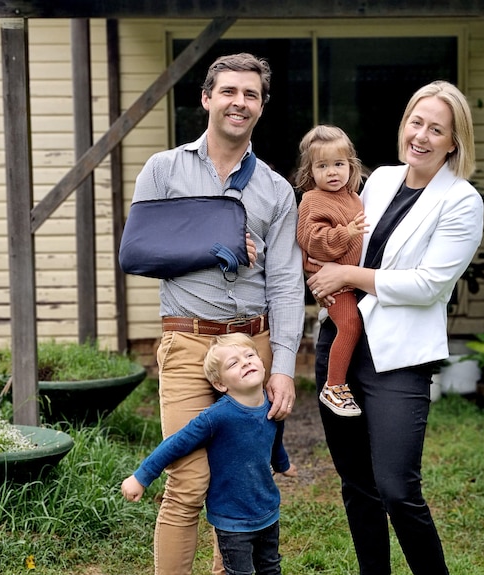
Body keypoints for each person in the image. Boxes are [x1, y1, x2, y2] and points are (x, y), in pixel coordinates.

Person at [130, 53, 305, 575]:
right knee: (187, 483)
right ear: (207, 98)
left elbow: (287, 283)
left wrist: (285, 365)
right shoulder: (164, 170)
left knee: (240, 479)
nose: (239, 102)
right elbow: (138, 253)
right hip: (188, 342)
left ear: (261, 107)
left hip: (253, 345)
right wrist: (217, 245)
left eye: (251, 95)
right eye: (229, 91)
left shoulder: (274, 189)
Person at [305, 80, 484, 574]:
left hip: (398, 359)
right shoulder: (380, 179)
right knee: (357, 484)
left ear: (454, 141)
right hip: (341, 344)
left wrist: (346, 275)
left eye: (436, 129)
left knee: (396, 488)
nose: (422, 136)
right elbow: (336, 237)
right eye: (416, 122)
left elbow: (428, 284)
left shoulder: (462, 202)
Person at [122, 333, 297, 575]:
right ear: (220, 384)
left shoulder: (270, 405)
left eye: (249, 355)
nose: (245, 362)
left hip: (267, 512)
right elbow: (176, 444)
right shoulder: (216, 417)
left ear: (262, 361)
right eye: (233, 363)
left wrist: (283, 463)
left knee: (271, 568)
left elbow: (274, 439)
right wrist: (141, 477)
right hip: (232, 521)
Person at [295, 125, 368, 417]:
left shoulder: (353, 197)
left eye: (339, 164)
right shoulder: (312, 200)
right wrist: (345, 234)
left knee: (354, 329)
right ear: (311, 171)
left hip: (353, 279)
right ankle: (334, 385)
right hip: (332, 280)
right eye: (322, 166)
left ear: (351, 166)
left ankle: (348, 381)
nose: (332, 172)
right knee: (350, 325)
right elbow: (312, 241)